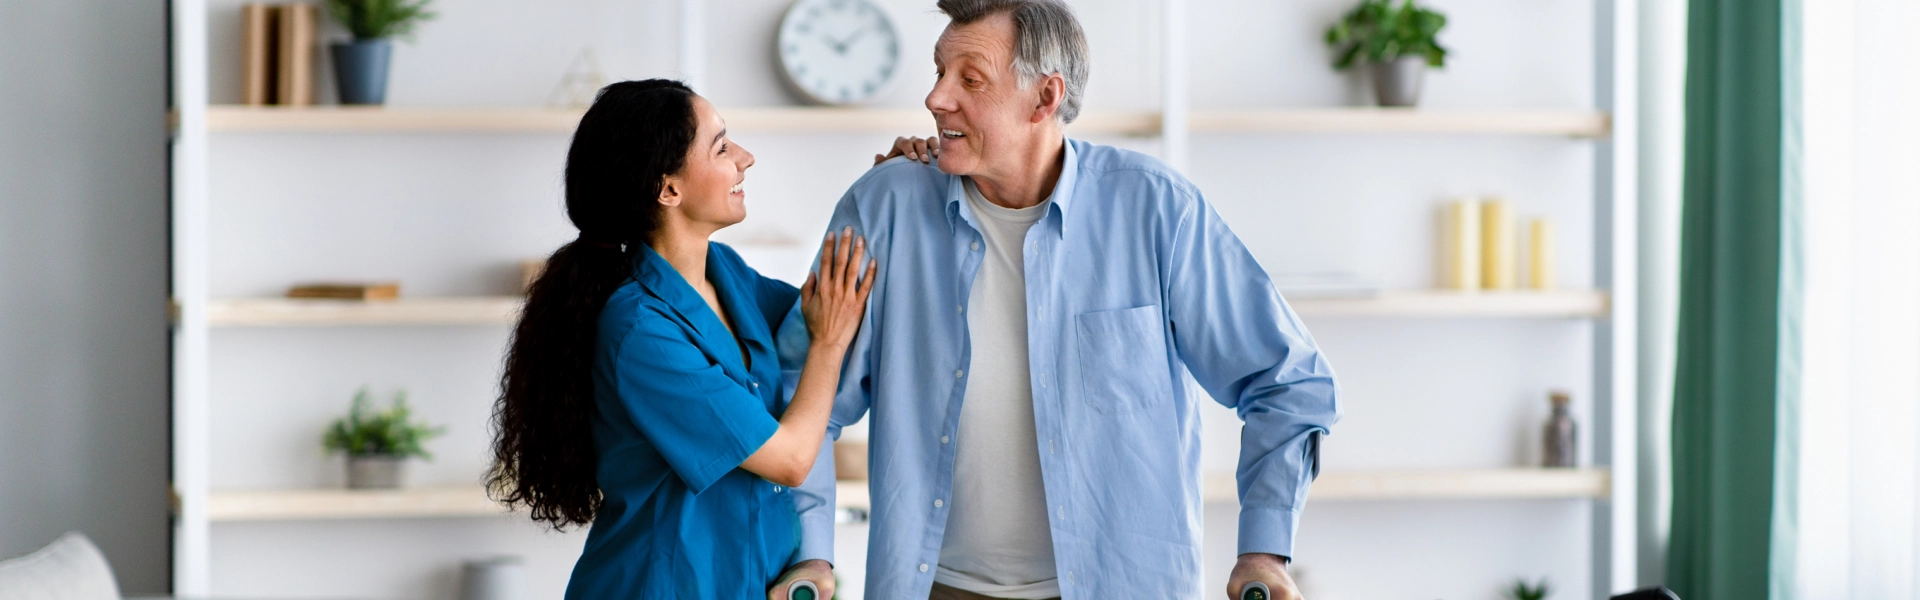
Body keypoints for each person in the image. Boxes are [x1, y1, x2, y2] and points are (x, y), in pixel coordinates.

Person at [767, 1, 1341, 599]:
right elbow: (802, 389)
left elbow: (1287, 381)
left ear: (1044, 98)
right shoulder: (885, 207)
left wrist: (1263, 551)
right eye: (938, 72)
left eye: (969, 79)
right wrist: (811, 555)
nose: (937, 99)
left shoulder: (1155, 210)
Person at [484, 79, 875, 599]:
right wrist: (826, 346)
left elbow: (834, 304)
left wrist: (885, 192)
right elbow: (789, 456)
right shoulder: (640, 332)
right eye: (721, 147)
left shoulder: (728, 275)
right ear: (668, 189)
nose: (746, 158)